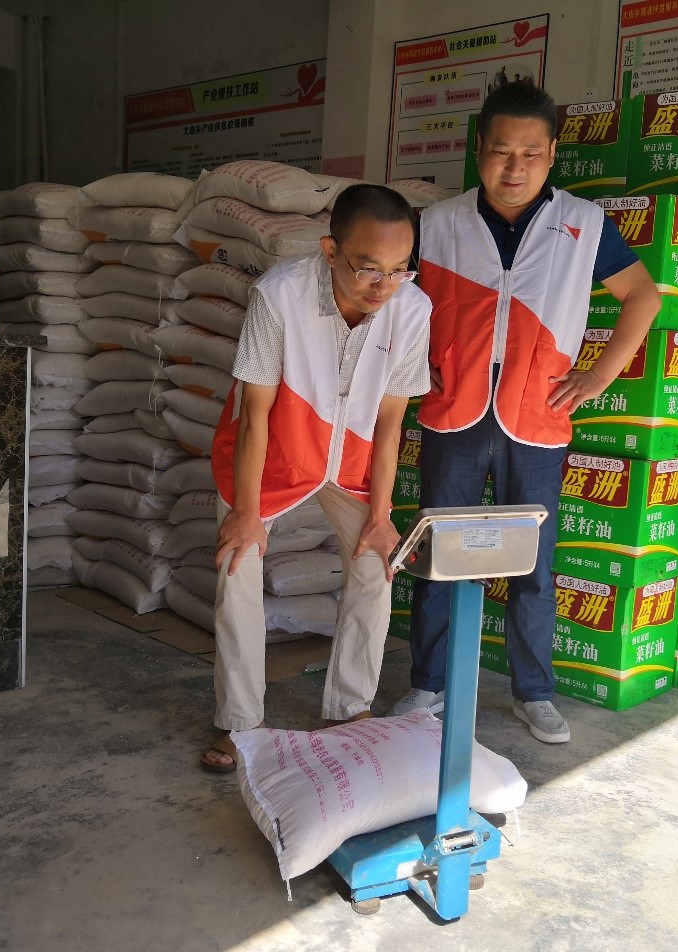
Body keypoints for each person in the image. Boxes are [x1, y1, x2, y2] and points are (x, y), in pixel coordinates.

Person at [391, 83, 661, 744]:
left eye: (531, 153)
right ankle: (428, 682)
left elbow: (643, 296)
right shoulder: (438, 224)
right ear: (478, 149)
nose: (515, 167)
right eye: (501, 151)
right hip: (453, 412)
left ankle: (534, 692)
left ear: (552, 154)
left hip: (536, 417)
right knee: (440, 554)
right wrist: (410, 363)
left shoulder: (583, 224)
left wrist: (598, 374)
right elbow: (393, 298)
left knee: (533, 568)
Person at [201, 184, 433, 773]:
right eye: (368, 268)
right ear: (330, 251)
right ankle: (239, 722)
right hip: (273, 458)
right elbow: (255, 413)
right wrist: (246, 512)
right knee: (238, 563)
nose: (384, 285)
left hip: (350, 463)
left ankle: (351, 706)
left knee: (376, 562)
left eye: (399, 269)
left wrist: (381, 518)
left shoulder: (412, 311)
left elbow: (391, 424)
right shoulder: (279, 296)